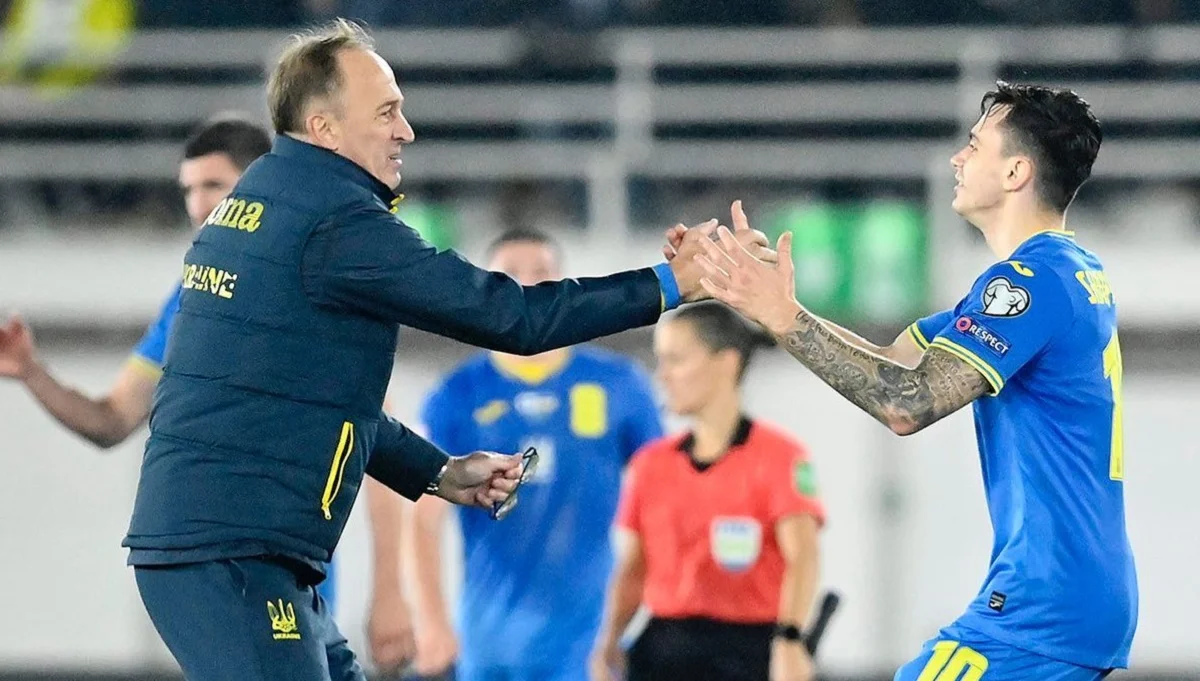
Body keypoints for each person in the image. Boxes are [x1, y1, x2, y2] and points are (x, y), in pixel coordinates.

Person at [120, 18, 770, 681]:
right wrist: (670, 282)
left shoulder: (262, 205)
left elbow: (313, 396)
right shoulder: (336, 223)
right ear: (325, 128)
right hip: (231, 555)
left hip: (235, 551)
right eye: (386, 112)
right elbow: (513, 316)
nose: (405, 130)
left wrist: (437, 471)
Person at [693, 82, 1137, 680]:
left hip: (1044, 604)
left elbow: (907, 403)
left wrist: (783, 318)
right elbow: (892, 358)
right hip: (1074, 593)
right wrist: (777, 307)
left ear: (1015, 172)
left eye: (974, 145)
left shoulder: (1028, 284)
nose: (957, 158)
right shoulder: (1064, 273)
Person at [0, 114, 419, 672]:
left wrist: (390, 589)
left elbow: (372, 433)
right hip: (229, 579)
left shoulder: (314, 278)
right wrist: (32, 372)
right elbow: (113, 418)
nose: (198, 206)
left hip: (292, 581)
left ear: (262, 184)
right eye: (188, 190)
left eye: (214, 185)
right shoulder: (194, 295)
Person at [408, 228, 665, 681]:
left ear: (564, 285)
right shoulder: (457, 395)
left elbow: (663, 502)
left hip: (589, 645)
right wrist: (431, 622)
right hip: (490, 646)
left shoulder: (619, 384)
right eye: (510, 275)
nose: (527, 285)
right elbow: (424, 519)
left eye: (541, 273)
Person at [590, 302, 824, 681]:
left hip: (749, 655)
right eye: (661, 361)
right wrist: (609, 638)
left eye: (676, 360)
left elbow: (803, 557)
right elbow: (634, 568)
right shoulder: (651, 465)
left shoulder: (780, 459)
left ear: (726, 363)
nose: (663, 375)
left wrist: (790, 640)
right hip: (663, 652)